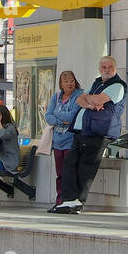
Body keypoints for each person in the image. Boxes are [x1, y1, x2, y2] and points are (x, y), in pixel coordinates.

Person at [50, 58, 126, 214]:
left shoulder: (118, 86)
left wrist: (90, 99)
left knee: (86, 168)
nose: (106, 69)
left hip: (98, 131)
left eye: (110, 67)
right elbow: (79, 99)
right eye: (103, 67)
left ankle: (77, 202)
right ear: (99, 68)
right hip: (82, 130)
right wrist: (91, 103)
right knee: (70, 164)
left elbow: (98, 99)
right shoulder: (98, 82)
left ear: (115, 68)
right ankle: (68, 200)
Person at [44, 70, 83, 200]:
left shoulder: (80, 96)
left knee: (70, 172)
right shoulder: (56, 97)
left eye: (71, 81)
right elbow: (48, 116)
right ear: (61, 84)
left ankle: (70, 199)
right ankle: (60, 198)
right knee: (59, 173)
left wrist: (56, 113)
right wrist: (61, 120)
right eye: (66, 81)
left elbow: (72, 117)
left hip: (71, 140)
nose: (69, 84)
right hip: (57, 142)